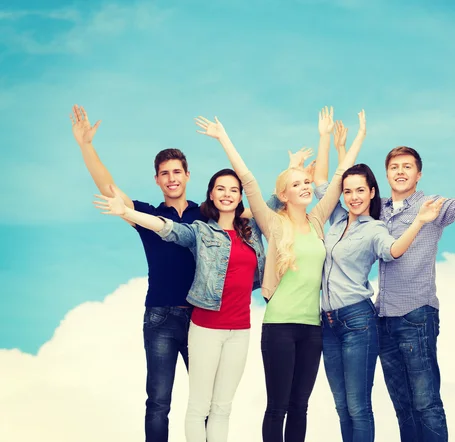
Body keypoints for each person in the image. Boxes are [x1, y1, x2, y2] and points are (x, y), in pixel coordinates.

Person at [194, 107, 365, 442]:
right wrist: (222, 137)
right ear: (284, 194)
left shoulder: (317, 221)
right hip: (279, 328)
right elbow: (248, 180)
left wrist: (348, 138)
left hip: (312, 328)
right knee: (278, 407)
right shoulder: (273, 223)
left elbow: (340, 175)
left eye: (306, 182)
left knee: (300, 406)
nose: (305, 186)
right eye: (296, 183)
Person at [93, 168, 265, 442]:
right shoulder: (200, 229)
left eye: (234, 189)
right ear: (210, 193)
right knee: (187, 405)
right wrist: (125, 212)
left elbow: (272, 207)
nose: (227, 194)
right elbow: (167, 228)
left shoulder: (251, 230)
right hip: (202, 324)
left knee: (221, 408)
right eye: (221, 188)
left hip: (240, 330)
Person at [70, 104, 204, 442]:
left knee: (205, 403)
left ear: (188, 175)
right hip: (160, 316)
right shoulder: (146, 215)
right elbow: (108, 188)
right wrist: (86, 146)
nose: (172, 178)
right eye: (165, 173)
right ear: (157, 180)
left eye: (177, 171)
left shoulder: (206, 215)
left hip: (202, 318)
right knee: (158, 402)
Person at [312, 121, 444, 442]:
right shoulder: (335, 220)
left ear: (373, 193)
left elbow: (393, 251)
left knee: (359, 406)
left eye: (361, 190)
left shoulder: (375, 228)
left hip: (358, 319)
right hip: (326, 321)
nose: (353, 197)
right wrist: (327, 140)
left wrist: (419, 222)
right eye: (347, 191)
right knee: (342, 406)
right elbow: (320, 183)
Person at [377, 118, 455, 442]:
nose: (401, 171)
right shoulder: (376, 209)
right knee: (403, 406)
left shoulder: (431, 205)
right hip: (382, 318)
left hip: (417, 315)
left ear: (418, 173)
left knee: (426, 403)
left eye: (407, 166)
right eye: (394, 166)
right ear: (387, 173)